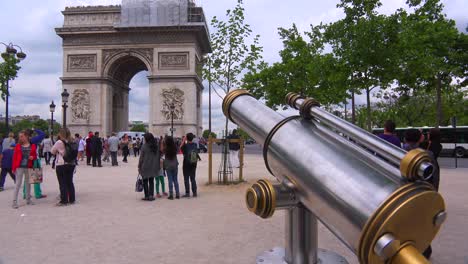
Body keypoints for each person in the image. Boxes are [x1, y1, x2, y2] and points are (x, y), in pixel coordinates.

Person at [11, 130, 37, 209]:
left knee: (28, 183)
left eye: (22, 136)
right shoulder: (18, 146)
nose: (20, 138)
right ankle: (14, 201)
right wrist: (13, 168)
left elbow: (35, 156)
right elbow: (14, 158)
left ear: (26, 136)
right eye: (20, 136)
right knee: (18, 184)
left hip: (28, 166)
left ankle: (28, 199)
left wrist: (32, 157)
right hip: (19, 167)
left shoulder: (32, 146)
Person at [51, 128, 77, 206]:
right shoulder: (72, 141)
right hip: (71, 164)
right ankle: (72, 199)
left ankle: (64, 200)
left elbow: (52, 151)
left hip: (62, 164)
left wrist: (59, 151)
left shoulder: (59, 142)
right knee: (70, 182)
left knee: (62, 183)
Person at [138, 133, 160, 201]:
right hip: (153, 166)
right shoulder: (156, 146)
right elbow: (158, 157)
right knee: (151, 181)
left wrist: (139, 165)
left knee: (145, 181)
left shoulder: (144, 146)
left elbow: (141, 158)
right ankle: (151, 195)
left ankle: (146, 195)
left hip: (145, 166)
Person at [180, 133, 201, 198]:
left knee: (186, 178)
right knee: (193, 178)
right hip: (194, 162)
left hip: (186, 163)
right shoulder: (195, 145)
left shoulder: (185, 146)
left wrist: (184, 140)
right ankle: (194, 192)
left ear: (187, 138)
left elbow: (180, 147)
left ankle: (187, 193)